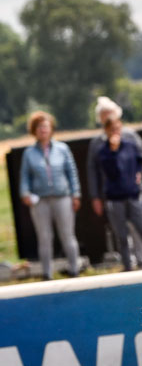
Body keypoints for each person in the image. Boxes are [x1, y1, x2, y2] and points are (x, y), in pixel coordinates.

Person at [87, 95, 142, 267]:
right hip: (112, 193)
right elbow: (93, 170)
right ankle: (127, 262)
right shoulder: (97, 143)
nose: (107, 117)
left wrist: (139, 175)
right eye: (104, 114)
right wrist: (95, 196)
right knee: (120, 230)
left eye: (110, 113)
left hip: (133, 190)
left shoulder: (130, 135)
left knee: (138, 226)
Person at [19, 111, 81, 280]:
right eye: (39, 127)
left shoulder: (62, 149)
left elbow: (72, 172)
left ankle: (74, 270)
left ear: (51, 128)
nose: (43, 130)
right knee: (44, 237)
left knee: (67, 235)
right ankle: (47, 274)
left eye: (45, 126)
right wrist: (25, 193)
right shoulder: (29, 153)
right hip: (40, 201)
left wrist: (76, 194)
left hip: (63, 197)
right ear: (34, 130)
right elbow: (25, 176)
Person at [98, 116, 142, 271]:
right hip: (115, 198)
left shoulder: (130, 145)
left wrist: (138, 174)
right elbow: (111, 172)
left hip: (132, 195)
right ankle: (127, 266)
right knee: (122, 235)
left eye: (117, 129)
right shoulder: (104, 151)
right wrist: (113, 152)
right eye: (111, 130)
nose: (115, 133)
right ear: (106, 131)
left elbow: (140, 160)